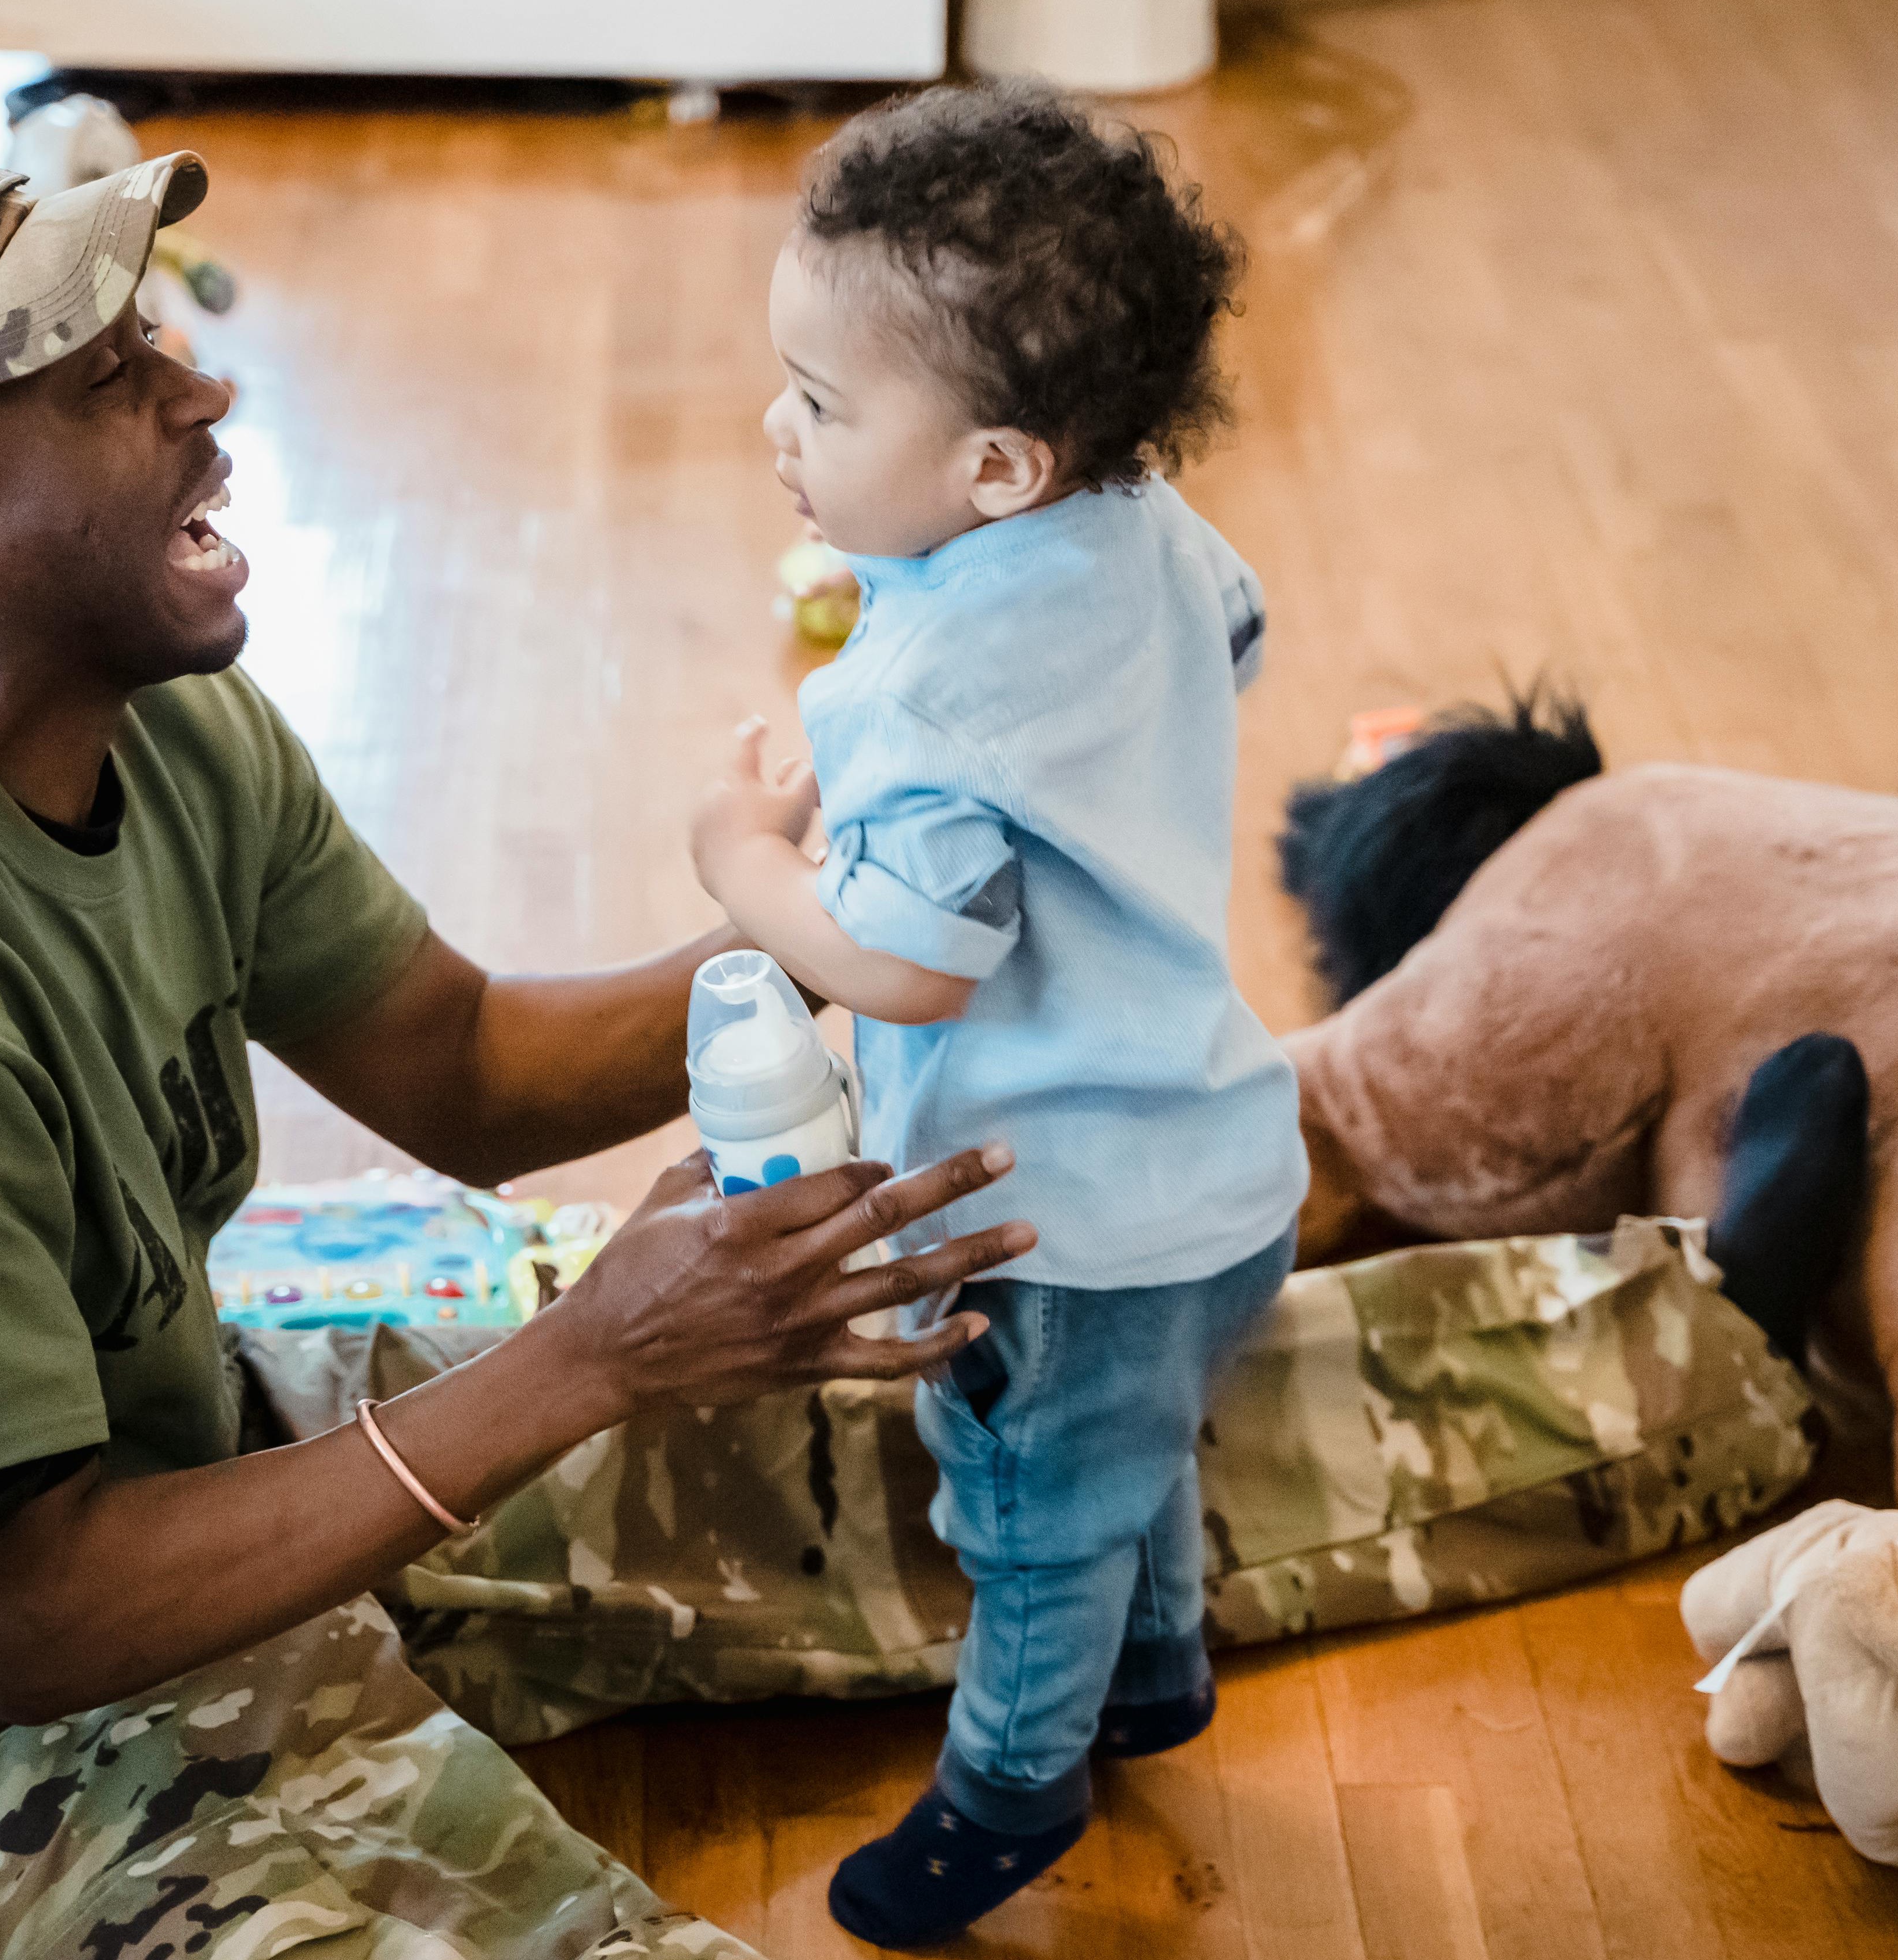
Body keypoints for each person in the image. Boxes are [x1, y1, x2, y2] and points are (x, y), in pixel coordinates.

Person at [0, 141, 1037, 1959]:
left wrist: (852, 934)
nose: (204, 387)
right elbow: (32, 1627)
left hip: (168, 1477)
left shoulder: (158, 724)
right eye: (106, 381)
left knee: (1022, 1461)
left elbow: (466, 1067)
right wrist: (592, 1358)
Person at [687, 85, 1309, 1945]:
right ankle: (1160, 1683)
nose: (775, 428)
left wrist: (746, 862)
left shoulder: (940, 699)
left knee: (1032, 1512)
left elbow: (906, 965)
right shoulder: (1144, 520)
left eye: (822, 401)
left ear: (1001, 468)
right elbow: (1236, 638)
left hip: (1056, 1224)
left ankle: (1012, 1789)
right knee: (1140, 1448)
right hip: (1217, 1165)